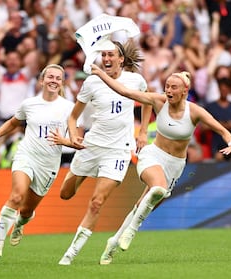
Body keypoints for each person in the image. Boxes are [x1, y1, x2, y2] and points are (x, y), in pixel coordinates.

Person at [90, 64, 231, 265]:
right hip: (153, 155)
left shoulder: (194, 111)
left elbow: (222, 130)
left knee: (144, 206)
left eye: (173, 87)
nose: (168, 90)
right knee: (158, 188)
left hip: (175, 165)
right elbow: (124, 91)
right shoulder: (158, 101)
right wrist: (100, 74)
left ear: (185, 91)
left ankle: (112, 243)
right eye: (167, 86)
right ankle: (131, 231)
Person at [57, 40, 150, 266]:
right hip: (92, 146)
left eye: (111, 55)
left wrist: (143, 131)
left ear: (121, 59)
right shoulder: (91, 82)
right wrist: (73, 136)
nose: (106, 59)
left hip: (118, 151)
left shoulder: (135, 80)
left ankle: (70, 254)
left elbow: (148, 102)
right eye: (103, 55)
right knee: (66, 194)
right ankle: (76, 176)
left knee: (97, 202)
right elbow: (73, 116)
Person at [0, 64, 74, 260]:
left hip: (48, 164)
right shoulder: (29, 104)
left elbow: (75, 139)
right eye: (50, 77)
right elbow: (14, 122)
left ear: (62, 82)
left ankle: (20, 224)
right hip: (27, 155)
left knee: (26, 210)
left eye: (58, 78)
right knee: (16, 196)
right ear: (42, 80)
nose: (53, 80)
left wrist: (65, 141)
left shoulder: (69, 108)